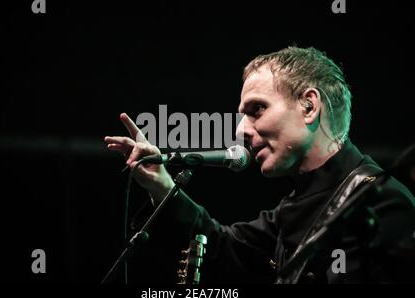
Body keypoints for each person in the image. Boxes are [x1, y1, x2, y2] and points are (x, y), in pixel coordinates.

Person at [104, 47, 415, 283]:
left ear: (309, 106)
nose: (241, 130)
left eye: (256, 110)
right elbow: (223, 247)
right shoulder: (289, 209)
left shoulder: (384, 203)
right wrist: (162, 184)